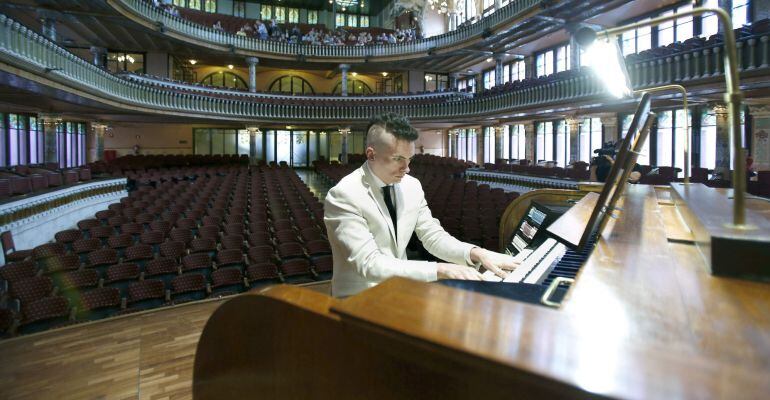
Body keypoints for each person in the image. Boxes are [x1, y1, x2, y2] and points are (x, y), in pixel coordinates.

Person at [324, 113, 518, 297]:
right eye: (398, 159)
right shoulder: (344, 194)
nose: (407, 168)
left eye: (409, 159)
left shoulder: (412, 186)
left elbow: (432, 236)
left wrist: (476, 253)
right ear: (371, 154)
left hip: (399, 290)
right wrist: (440, 269)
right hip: (358, 298)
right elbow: (369, 264)